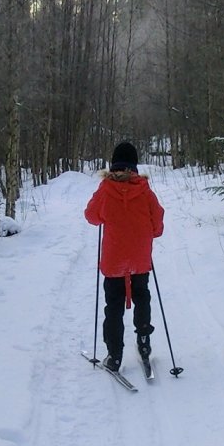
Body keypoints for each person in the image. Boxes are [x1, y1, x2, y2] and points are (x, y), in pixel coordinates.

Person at [85, 140, 165, 372]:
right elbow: (157, 224)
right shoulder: (145, 191)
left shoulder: (105, 190)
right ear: (134, 166)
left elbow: (91, 216)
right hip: (140, 259)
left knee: (114, 306)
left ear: (113, 166)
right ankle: (143, 342)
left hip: (114, 259)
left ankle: (115, 355)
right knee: (142, 297)